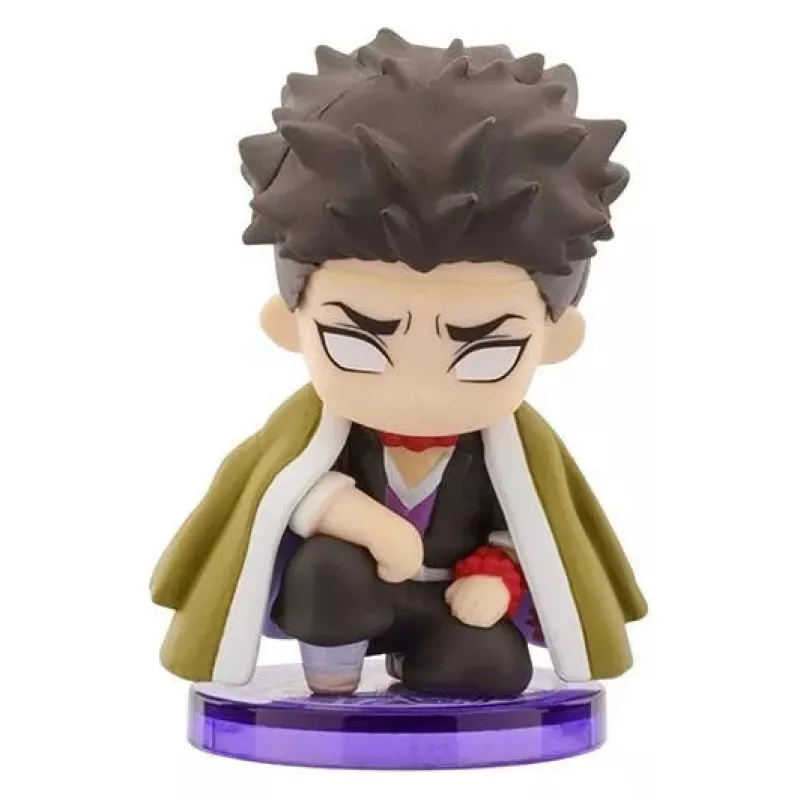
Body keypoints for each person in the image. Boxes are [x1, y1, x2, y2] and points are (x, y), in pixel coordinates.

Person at [151, 29, 647, 699]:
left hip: (446, 604)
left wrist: (495, 577)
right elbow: (281, 493)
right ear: (290, 322)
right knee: (329, 574)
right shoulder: (303, 437)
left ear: (554, 339)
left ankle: (423, 668)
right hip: (345, 597)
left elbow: (535, 530)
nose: (419, 390)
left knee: (487, 670)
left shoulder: (517, 455)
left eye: (483, 352)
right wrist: (351, 516)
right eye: (357, 343)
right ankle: (332, 680)